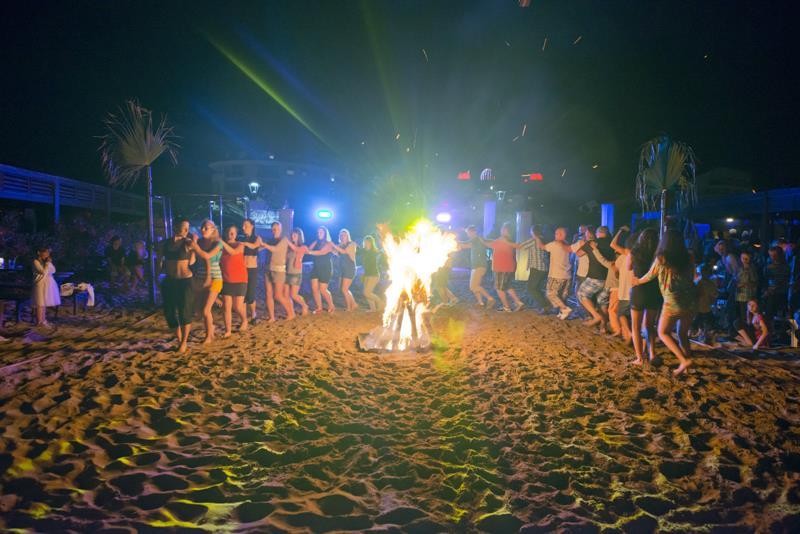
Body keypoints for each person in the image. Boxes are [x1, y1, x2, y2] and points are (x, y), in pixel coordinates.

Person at [632, 230, 696, 375]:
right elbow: (692, 275)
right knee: (682, 333)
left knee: (663, 332)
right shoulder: (689, 256)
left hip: (673, 301)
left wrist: (638, 281)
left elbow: (650, 275)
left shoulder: (661, 258)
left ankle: (684, 361)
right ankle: (686, 366)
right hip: (690, 300)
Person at [160, 220, 195, 353]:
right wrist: (158, 276)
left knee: (184, 312)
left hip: (185, 281)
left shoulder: (187, 243)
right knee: (169, 312)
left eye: (188, 228)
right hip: (169, 280)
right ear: (175, 227)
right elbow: (160, 261)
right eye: (184, 227)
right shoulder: (166, 243)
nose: (186, 230)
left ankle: (184, 342)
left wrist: (193, 248)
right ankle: (179, 339)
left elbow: (192, 262)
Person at [629, 228, 661, 365]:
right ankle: (652, 353)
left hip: (639, 290)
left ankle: (640, 358)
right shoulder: (658, 254)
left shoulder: (635, 252)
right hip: (654, 291)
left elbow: (628, 267)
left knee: (636, 327)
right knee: (649, 325)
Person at [190, 219, 224, 344]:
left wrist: (195, 247)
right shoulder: (199, 242)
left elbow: (207, 256)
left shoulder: (218, 243)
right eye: (202, 227)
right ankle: (211, 328)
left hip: (215, 278)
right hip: (200, 277)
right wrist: (193, 246)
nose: (203, 230)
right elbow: (192, 261)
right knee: (199, 310)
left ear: (213, 230)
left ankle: (209, 335)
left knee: (206, 310)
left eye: (206, 228)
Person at [481, 222, 526, 312]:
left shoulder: (503, 239)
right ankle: (518, 303)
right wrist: (483, 240)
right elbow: (493, 243)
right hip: (508, 267)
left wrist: (481, 240)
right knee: (507, 286)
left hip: (501, 268)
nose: (501, 230)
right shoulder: (507, 240)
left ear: (506, 230)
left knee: (499, 288)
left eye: (503, 228)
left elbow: (490, 245)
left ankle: (506, 307)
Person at [574, 226, 610, 329]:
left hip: (595, 276)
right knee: (602, 302)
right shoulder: (612, 243)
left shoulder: (591, 243)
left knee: (581, 294)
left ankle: (596, 316)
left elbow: (578, 253)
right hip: (608, 278)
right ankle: (603, 327)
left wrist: (585, 243)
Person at [533, 226, 573, 320]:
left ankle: (565, 309)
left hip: (556, 274)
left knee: (550, 294)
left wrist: (536, 237)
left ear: (561, 235)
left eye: (556, 233)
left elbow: (541, 247)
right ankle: (562, 312)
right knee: (561, 295)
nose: (555, 235)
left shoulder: (555, 244)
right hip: (567, 275)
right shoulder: (567, 244)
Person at [259, 221, 295, 321]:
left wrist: (264, 244)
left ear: (280, 229)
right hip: (268, 269)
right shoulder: (270, 241)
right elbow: (259, 249)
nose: (275, 231)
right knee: (268, 293)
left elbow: (275, 249)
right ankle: (272, 317)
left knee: (278, 295)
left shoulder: (284, 240)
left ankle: (291, 313)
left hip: (279, 270)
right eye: (273, 229)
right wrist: (256, 245)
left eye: (277, 229)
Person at [219, 225, 249, 337]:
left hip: (240, 279)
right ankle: (228, 331)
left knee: (237, 306)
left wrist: (222, 242)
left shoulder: (240, 245)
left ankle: (244, 320)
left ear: (236, 234)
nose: (231, 234)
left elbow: (233, 252)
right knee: (226, 307)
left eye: (233, 232)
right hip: (226, 279)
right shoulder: (221, 246)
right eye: (229, 232)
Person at [459, 226, 495, 307]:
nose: (468, 235)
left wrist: (455, 241)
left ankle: (490, 299)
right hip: (476, 266)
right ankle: (480, 302)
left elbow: (465, 245)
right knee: (475, 285)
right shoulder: (477, 240)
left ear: (473, 232)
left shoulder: (476, 239)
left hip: (479, 265)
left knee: (473, 287)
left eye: (468, 233)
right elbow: (466, 245)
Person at [306, 226, 336, 313]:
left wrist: (309, 252)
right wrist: (307, 250)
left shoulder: (329, 243)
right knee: (314, 288)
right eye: (318, 232)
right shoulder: (316, 242)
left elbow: (321, 252)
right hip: (316, 267)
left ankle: (331, 305)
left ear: (325, 233)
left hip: (325, 268)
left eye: (321, 232)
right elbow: (308, 249)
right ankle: (319, 308)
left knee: (323, 290)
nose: (319, 233)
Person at [521, 225, 549, 311]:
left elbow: (520, 246)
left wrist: (506, 243)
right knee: (536, 288)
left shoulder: (533, 240)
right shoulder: (544, 239)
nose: (530, 232)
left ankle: (545, 305)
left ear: (533, 232)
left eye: (531, 231)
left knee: (531, 288)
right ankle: (542, 305)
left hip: (537, 268)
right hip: (544, 268)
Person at [330, 229, 359, 312]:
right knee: (345, 289)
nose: (342, 236)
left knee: (344, 289)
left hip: (350, 268)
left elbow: (344, 252)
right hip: (343, 269)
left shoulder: (352, 244)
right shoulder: (340, 245)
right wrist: (330, 246)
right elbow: (335, 252)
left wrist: (333, 245)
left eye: (344, 235)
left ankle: (349, 308)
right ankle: (354, 304)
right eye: (341, 235)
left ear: (348, 236)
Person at [32, 247, 60, 327]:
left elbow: (53, 270)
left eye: (48, 253)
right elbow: (43, 272)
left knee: (44, 302)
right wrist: (47, 263)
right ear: (39, 252)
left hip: (48, 283)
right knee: (40, 302)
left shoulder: (46, 262)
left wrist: (49, 263)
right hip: (40, 283)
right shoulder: (36, 261)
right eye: (46, 252)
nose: (47, 254)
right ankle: (39, 321)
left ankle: (43, 320)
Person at [763, 246, 789, 329]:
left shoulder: (784, 267)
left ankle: (772, 330)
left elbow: (779, 282)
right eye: (771, 255)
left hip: (778, 293)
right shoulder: (769, 267)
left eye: (774, 255)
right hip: (775, 293)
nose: (772, 257)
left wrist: (768, 291)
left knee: (770, 314)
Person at [239, 218, 260, 322]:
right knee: (242, 294)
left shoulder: (257, 238)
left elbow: (255, 246)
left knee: (250, 294)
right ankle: (244, 319)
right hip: (242, 269)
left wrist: (244, 244)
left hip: (252, 269)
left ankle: (253, 315)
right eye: (243, 226)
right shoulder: (241, 239)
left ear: (252, 226)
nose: (243, 228)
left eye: (246, 226)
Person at [286, 228, 310, 315]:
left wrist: (287, 241)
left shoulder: (303, 247)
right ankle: (291, 312)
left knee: (294, 295)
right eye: (292, 235)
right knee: (287, 295)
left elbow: (297, 250)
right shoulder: (290, 247)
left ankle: (304, 305)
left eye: (295, 235)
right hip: (288, 272)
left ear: (299, 236)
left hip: (296, 273)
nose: (293, 236)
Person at [694, 263, 718, 344]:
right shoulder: (699, 282)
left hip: (705, 306)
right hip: (701, 306)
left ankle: (704, 335)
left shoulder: (708, 282)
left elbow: (714, 294)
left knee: (705, 321)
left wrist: (712, 300)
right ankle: (701, 333)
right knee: (701, 321)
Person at [361, 235, 385, 312]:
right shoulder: (364, 251)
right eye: (365, 242)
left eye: (368, 242)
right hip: (366, 275)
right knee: (367, 293)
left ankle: (380, 302)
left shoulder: (374, 252)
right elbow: (356, 251)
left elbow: (380, 252)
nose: (366, 243)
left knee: (366, 293)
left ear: (371, 243)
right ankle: (373, 309)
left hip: (374, 275)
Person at [735, 250, 758, 322]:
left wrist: (745, 284)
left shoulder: (752, 268)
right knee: (742, 311)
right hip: (740, 294)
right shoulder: (739, 268)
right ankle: (744, 325)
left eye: (746, 259)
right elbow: (735, 278)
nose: (744, 260)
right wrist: (737, 284)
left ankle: (749, 325)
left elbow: (754, 280)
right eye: (743, 258)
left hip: (749, 294)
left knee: (749, 312)